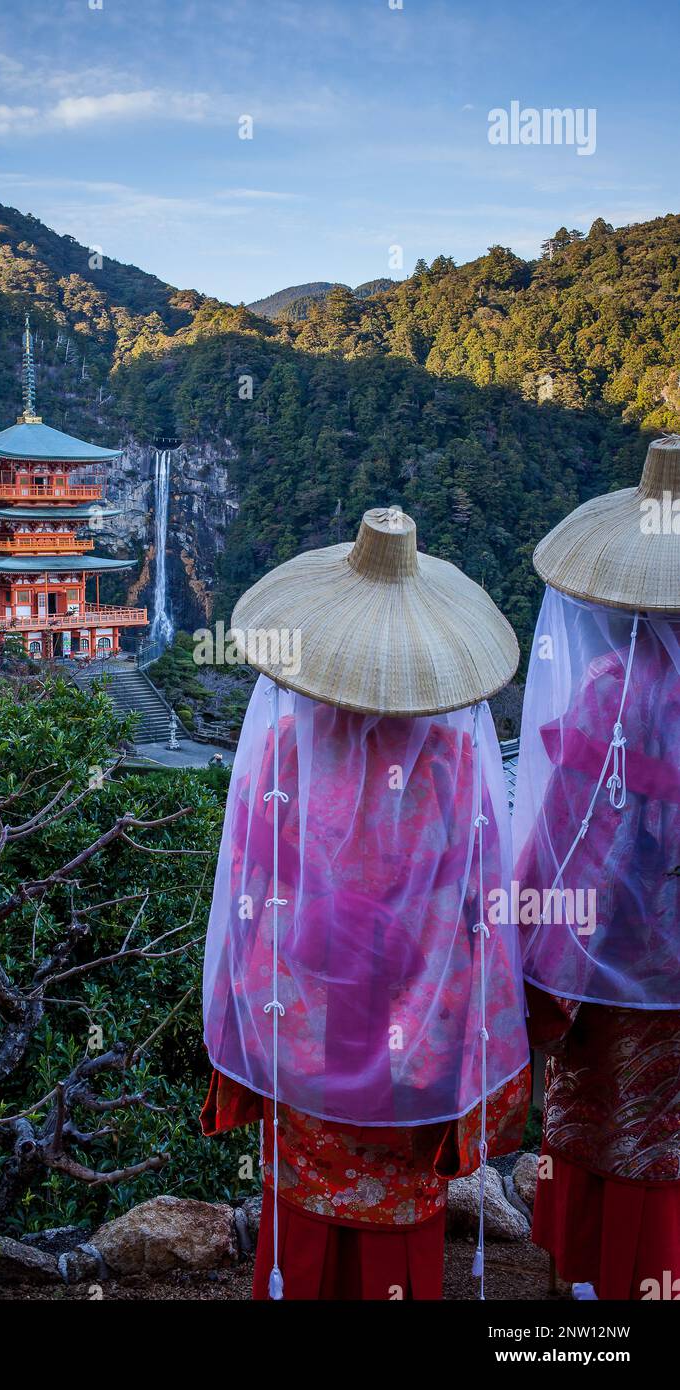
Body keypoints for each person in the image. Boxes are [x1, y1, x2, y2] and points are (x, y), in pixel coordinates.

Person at [202, 507, 531, 1300]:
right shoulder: (456, 763)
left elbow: (248, 894)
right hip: (416, 1031)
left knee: (304, 1220)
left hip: (302, 1023)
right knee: (398, 1241)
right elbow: (482, 916)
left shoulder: (283, 749)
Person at [514, 434, 680, 1301]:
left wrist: (534, 944)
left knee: (609, 1121)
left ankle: (597, 1291)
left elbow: (571, 837)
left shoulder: (616, 688)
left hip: (623, 962)